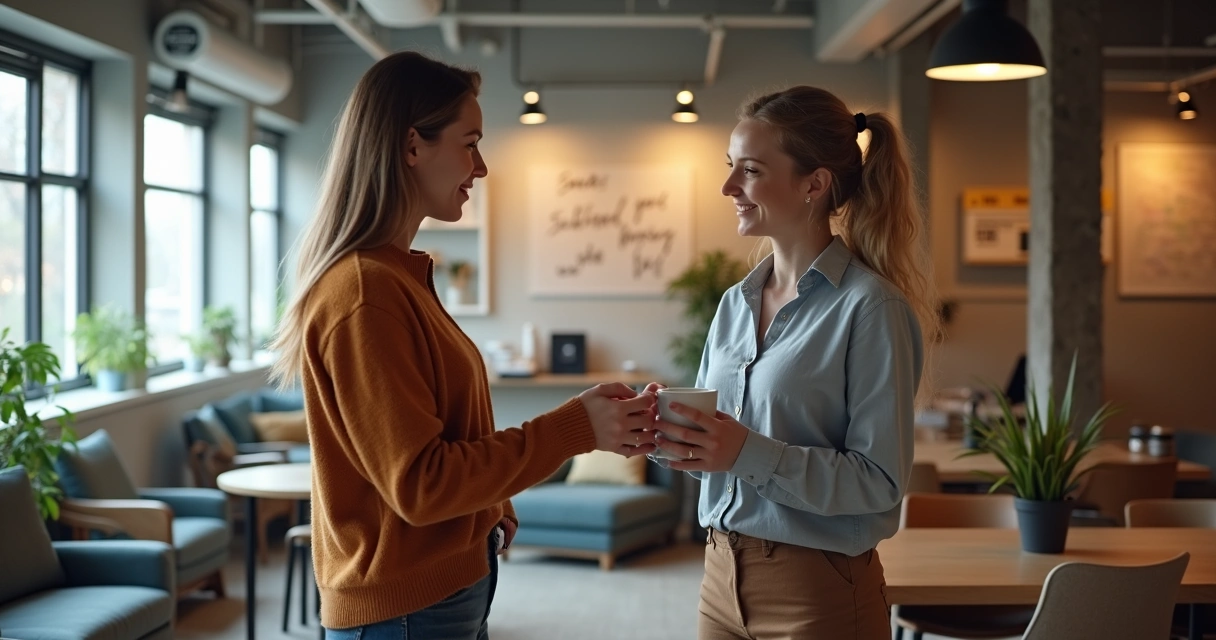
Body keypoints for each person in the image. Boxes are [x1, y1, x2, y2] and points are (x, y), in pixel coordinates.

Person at [269, 51, 657, 639]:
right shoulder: (365, 293)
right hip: (403, 610)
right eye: (469, 142)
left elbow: (436, 436)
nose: (480, 167)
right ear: (410, 147)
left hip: (438, 592)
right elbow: (421, 484)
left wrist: (488, 504)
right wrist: (573, 429)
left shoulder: (398, 276)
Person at [648, 86, 939, 639]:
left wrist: (744, 450)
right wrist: (669, 432)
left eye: (750, 170)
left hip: (818, 591)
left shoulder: (872, 309)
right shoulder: (734, 304)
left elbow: (879, 483)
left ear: (814, 183)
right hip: (719, 577)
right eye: (731, 167)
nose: (728, 187)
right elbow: (724, 455)